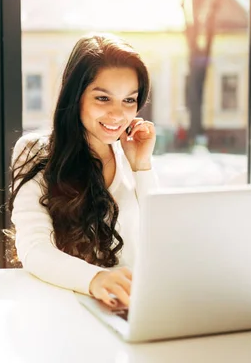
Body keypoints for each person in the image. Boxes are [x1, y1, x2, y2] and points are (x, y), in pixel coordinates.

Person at [8, 33, 158, 308]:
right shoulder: (35, 151)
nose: (117, 115)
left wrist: (142, 167)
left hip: (130, 306)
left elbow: (162, 242)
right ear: (76, 96)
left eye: (129, 100)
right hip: (64, 308)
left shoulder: (130, 151)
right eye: (103, 98)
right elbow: (34, 249)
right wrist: (96, 279)